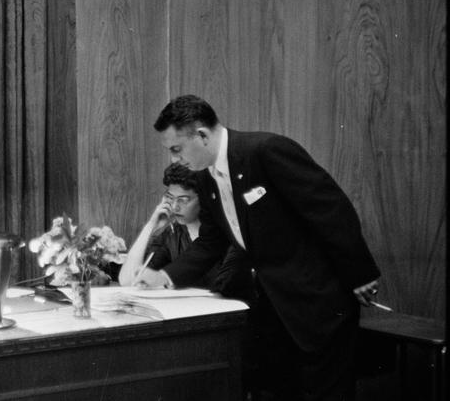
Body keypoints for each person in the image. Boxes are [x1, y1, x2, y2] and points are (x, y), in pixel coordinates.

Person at [140, 95, 380, 401]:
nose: (175, 159)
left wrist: (361, 274)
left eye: (176, 149)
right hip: (275, 304)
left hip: (319, 299)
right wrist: (165, 276)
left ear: (202, 135)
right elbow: (212, 241)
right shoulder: (206, 178)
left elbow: (330, 209)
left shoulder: (265, 151)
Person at [118, 163, 251, 300]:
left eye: (183, 200)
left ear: (204, 199)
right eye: (170, 198)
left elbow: (225, 290)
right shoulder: (172, 233)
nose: (175, 207)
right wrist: (150, 226)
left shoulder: (228, 235)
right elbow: (128, 281)